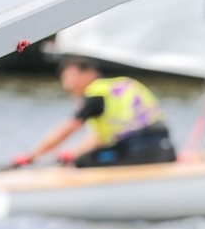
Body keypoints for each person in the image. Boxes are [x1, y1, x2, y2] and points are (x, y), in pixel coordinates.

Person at [12, 56, 176, 169]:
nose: (67, 85)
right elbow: (99, 139)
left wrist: (32, 157)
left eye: (69, 77)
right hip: (165, 149)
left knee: (82, 161)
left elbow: (67, 130)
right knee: (80, 157)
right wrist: (70, 154)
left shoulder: (96, 94)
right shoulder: (121, 84)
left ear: (89, 73)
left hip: (137, 150)